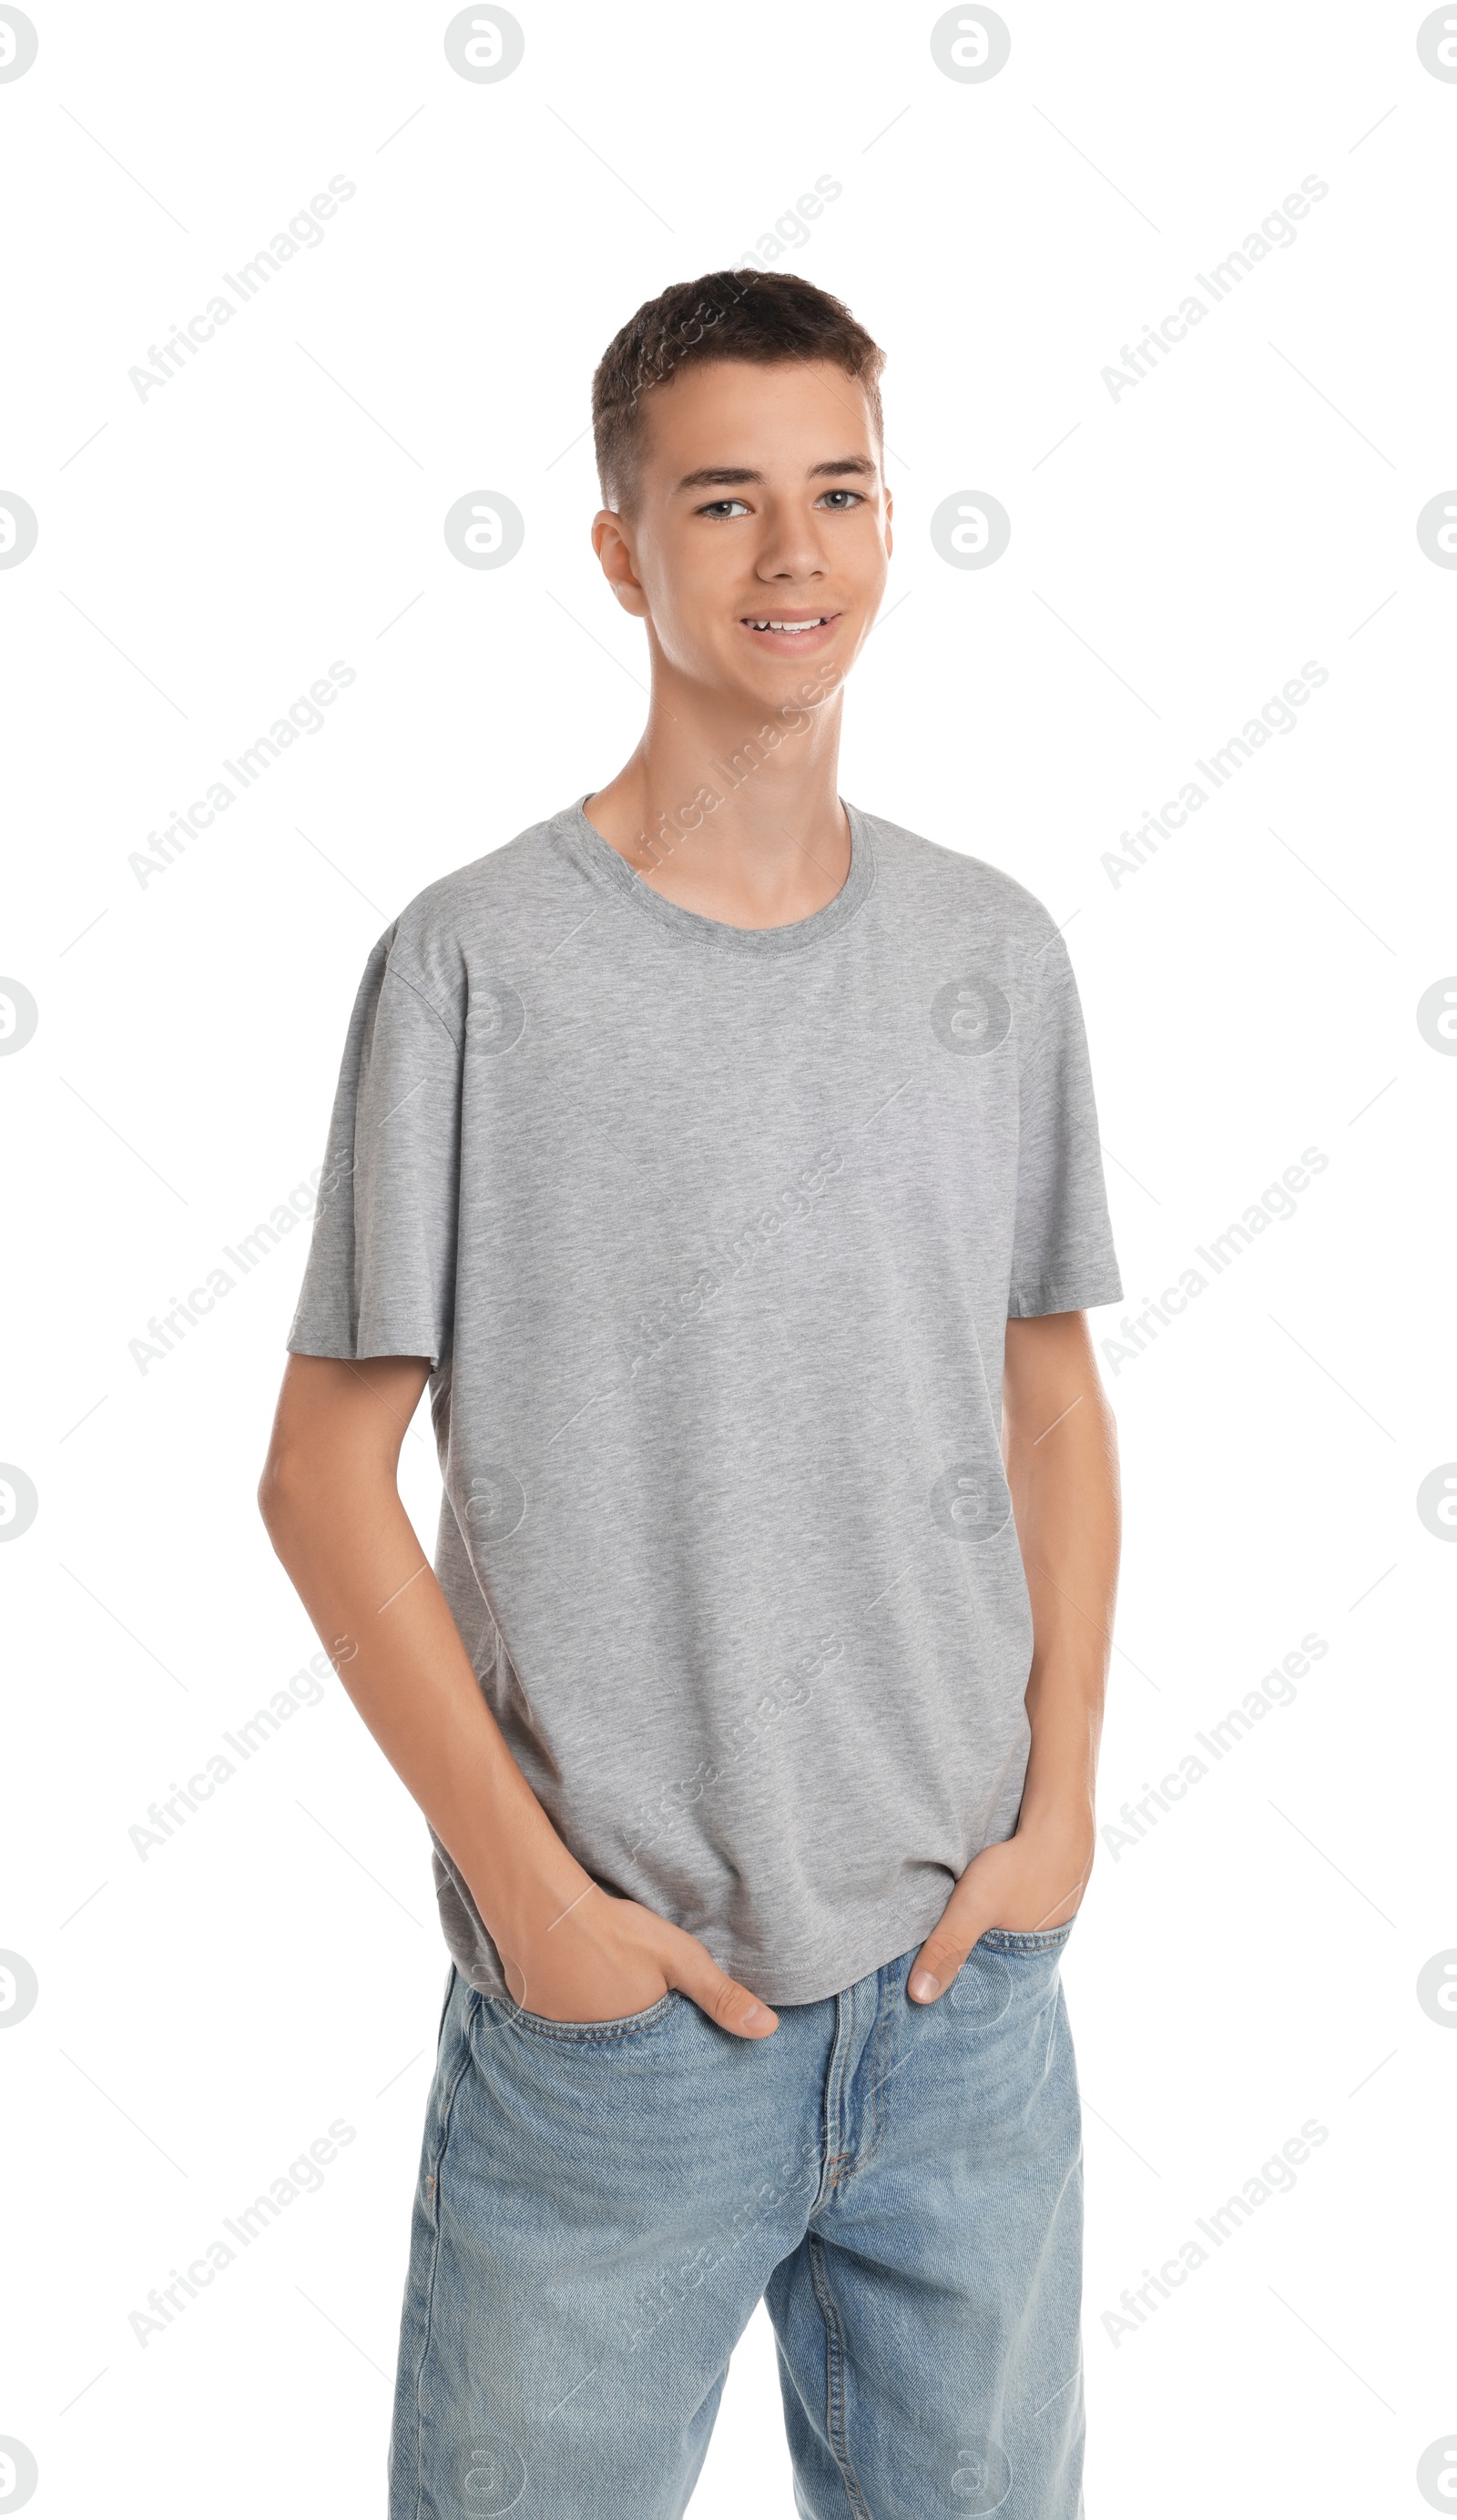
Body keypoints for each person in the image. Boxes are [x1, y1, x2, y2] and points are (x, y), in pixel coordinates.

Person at [260, 267, 1123, 2520]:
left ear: (887, 521)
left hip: (958, 2009)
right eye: (722, 503)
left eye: (833, 493)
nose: (790, 556)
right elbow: (321, 1478)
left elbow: (1047, 1404)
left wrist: (1058, 1818)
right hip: (614, 2037)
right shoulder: (475, 963)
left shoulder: (989, 956)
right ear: (620, 550)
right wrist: (533, 1903)